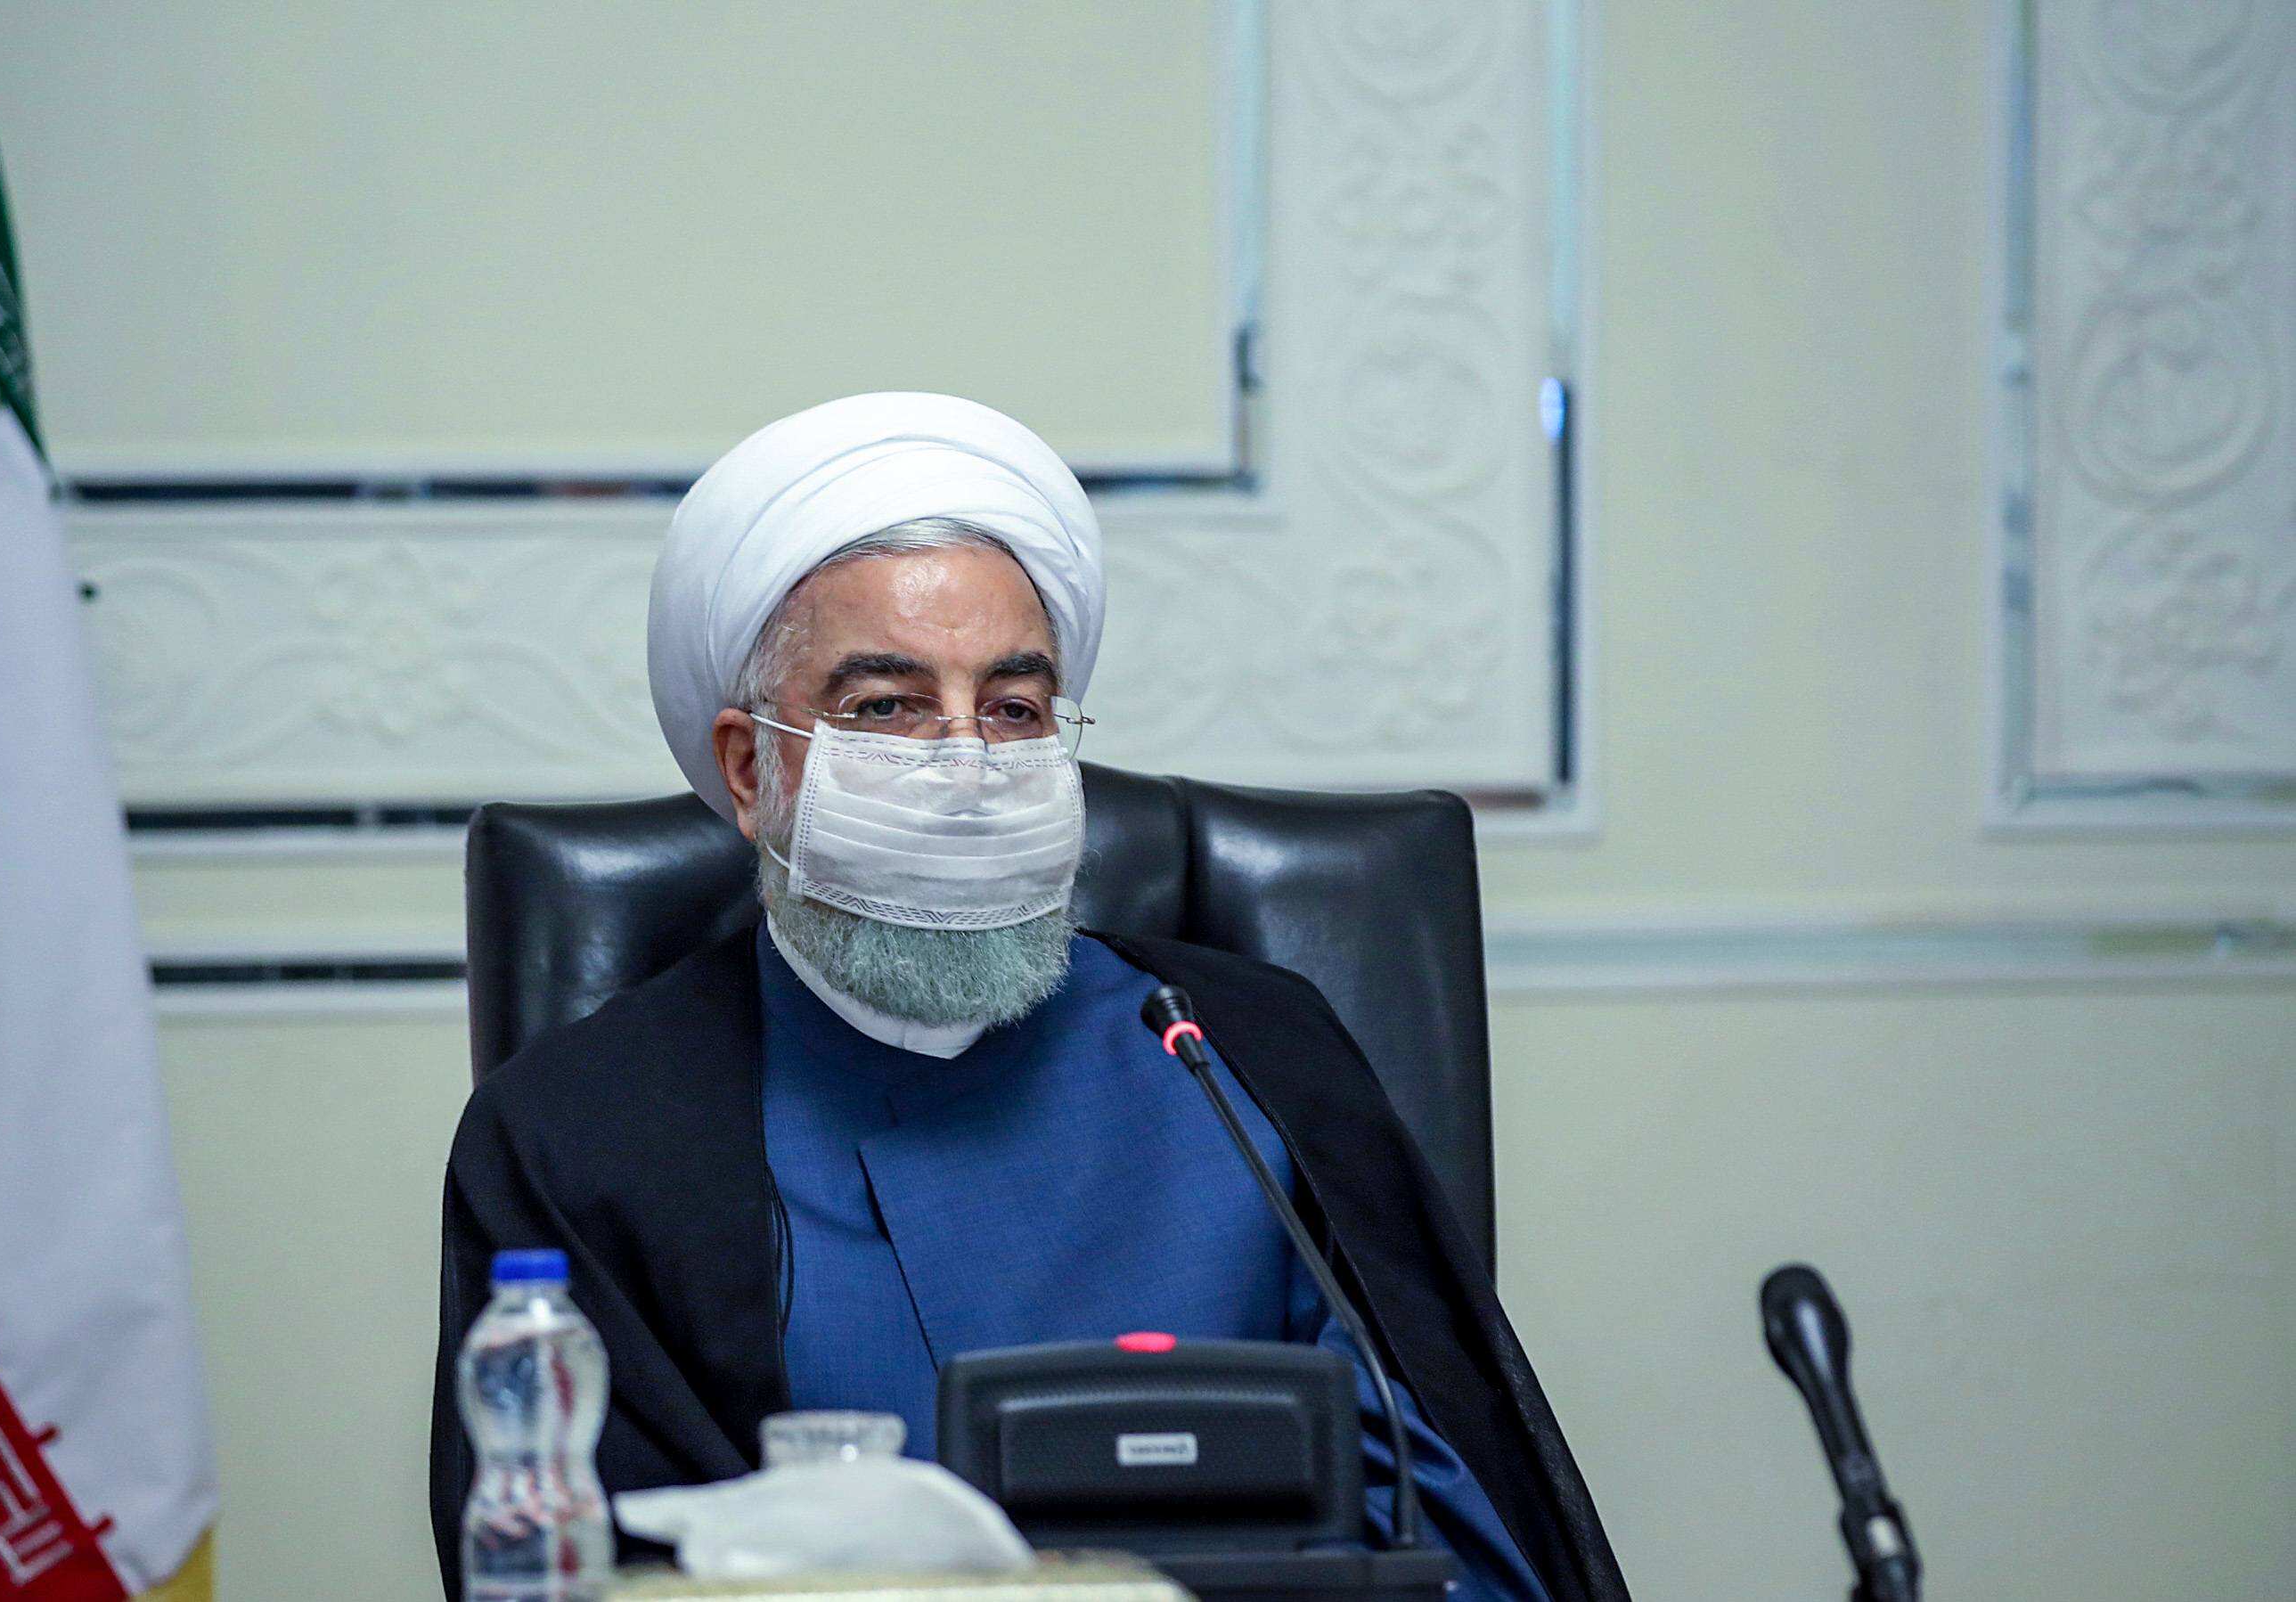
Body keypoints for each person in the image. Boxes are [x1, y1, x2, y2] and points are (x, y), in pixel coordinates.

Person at [431, 394, 1628, 1600]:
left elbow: (1448, 1540)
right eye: (887, 706)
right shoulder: (583, 1134)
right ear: (752, 769)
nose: (967, 766)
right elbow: (597, 1568)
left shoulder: (1244, 1056)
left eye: (1012, 709)